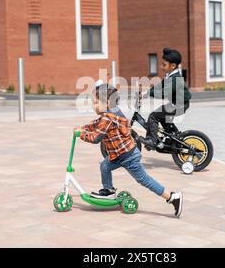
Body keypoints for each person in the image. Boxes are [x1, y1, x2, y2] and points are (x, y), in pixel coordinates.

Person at [74, 83, 183, 218]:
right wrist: (84, 127)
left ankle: (172, 197)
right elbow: (97, 123)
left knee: (144, 180)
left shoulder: (107, 118)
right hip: (119, 154)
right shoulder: (112, 112)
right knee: (105, 166)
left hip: (128, 157)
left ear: (107, 102)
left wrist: (82, 134)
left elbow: (96, 137)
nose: (93, 106)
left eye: (95, 102)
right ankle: (108, 190)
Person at [141, 48, 192, 150]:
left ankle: (152, 140)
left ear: (173, 65)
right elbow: (160, 86)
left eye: (164, 65)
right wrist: (146, 92)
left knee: (153, 116)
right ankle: (174, 136)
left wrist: (149, 93)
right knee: (162, 117)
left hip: (179, 105)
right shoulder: (170, 76)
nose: (161, 66)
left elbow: (164, 93)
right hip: (178, 103)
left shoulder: (175, 78)